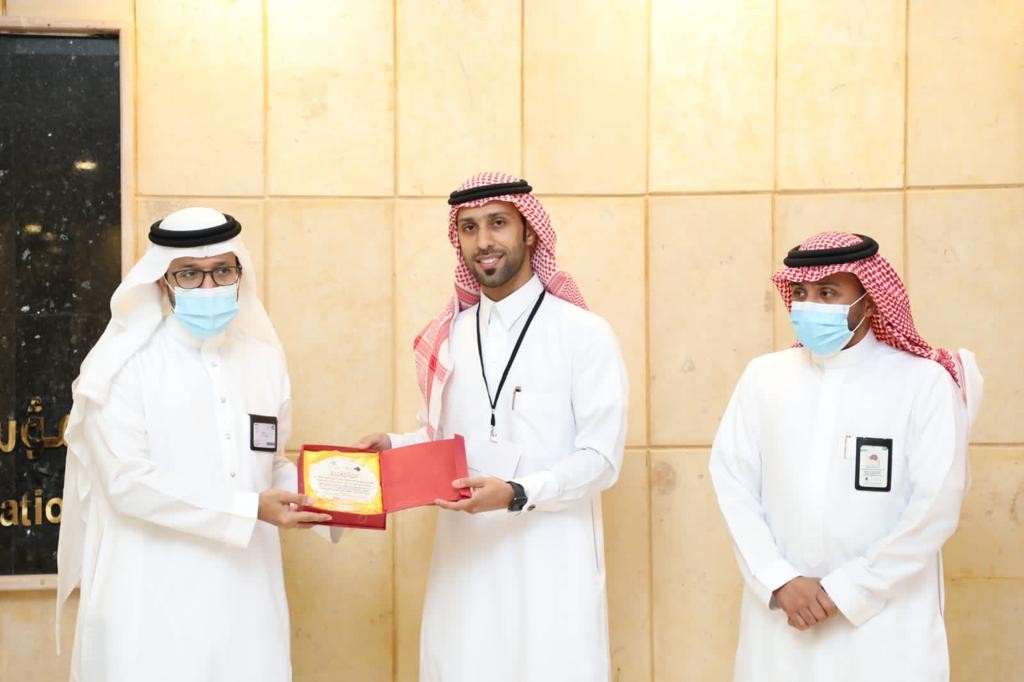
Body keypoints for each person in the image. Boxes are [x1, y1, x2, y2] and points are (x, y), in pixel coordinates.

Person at [358, 172, 628, 682]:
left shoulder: (583, 334)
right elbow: (445, 441)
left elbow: (601, 458)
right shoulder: (448, 336)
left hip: (552, 562)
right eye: (469, 228)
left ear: (530, 231)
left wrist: (519, 492)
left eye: (498, 223)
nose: (483, 241)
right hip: (465, 563)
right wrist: (392, 446)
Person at [56, 207, 334, 681]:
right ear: (163, 281)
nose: (209, 286)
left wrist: (336, 494)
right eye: (189, 274)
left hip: (247, 595)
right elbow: (126, 483)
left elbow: (270, 464)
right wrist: (250, 508)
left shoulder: (264, 362)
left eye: (222, 271)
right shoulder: (122, 368)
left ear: (240, 274)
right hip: (150, 598)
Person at [709, 231, 983, 682]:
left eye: (827, 293)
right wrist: (778, 578)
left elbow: (936, 504)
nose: (809, 305)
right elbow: (732, 483)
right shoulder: (764, 378)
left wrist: (850, 589)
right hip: (782, 621)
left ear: (869, 302)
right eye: (801, 293)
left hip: (885, 625)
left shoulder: (923, 383)